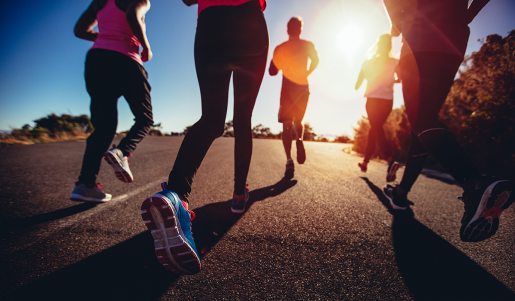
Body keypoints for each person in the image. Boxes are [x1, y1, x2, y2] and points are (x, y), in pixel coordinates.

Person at [140, 0, 268, 274]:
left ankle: (177, 196)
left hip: (211, 22)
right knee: (242, 119)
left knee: (212, 117)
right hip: (250, 21)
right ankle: (237, 195)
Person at [382, 0, 513, 242]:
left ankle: (475, 183)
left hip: (420, 34)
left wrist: (398, 22)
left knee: (420, 119)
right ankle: (400, 193)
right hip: (453, 38)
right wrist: (467, 14)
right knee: (424, 123)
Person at [71, 0, 154, 203]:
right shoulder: (141, 0)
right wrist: (146, 46)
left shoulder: (99, 1)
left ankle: (85, 185)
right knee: (145, 119)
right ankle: (122, 151)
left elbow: (80, 31)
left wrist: (104, 35)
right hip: (126, 60)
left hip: (97, 59)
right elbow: (132, 16)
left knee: (103, 128)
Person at [269, 16, 319, 178]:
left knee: (286, 125)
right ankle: (299, 140)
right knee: (298, 120)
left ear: (287, 30)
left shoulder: (281, 48)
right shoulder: (307, 45)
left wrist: (282, 62)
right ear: (300, 29)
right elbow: (316, 60)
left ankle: (289, 160)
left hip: (287, 90)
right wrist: (306, 72)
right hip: (303, 88)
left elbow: (272, 71)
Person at [355, 34, 401, 182]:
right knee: (375, 128)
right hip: (387, 101)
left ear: (377, 45)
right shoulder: (395, 62)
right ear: (389, 47)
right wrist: (391, 79)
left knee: (376, 128)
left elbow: (357, 83)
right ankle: (365, 162)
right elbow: (399, 78)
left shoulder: (368, 62)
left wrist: (369, 77)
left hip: (373, 100)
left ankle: (390, 161)